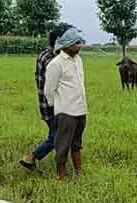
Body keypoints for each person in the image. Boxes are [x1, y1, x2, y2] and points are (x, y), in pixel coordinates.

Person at [19, 24, 72, 172]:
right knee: (57, 136)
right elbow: (55, 86)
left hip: (47, 104)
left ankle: (59, 162)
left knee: (58, 134)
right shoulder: (52, 60)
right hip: (52, 105)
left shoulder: (45, 55)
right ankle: (32, 158)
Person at [44, 27, 88, 181]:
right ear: (68, 45)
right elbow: (49, 89)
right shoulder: (56, 64)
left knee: (77, 144)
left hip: (80, 109)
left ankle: (79, 174)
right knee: (62, 146)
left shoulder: (79, 60)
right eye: (77, 43)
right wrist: (56, 108)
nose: (80, 46)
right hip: (66, 111)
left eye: (80, 42)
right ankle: (61, 178)